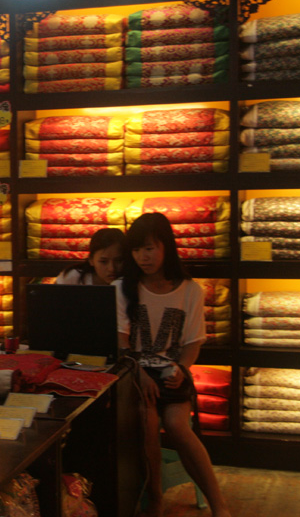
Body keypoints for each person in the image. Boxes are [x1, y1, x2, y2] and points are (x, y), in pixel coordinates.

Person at [115, 212, 230, 517]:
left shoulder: (190, 290)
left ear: (166, 246)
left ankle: (219, 505)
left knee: (178, 426)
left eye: (150, 248)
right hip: (134, 372)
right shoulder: (123, 288)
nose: (143, 257)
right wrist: (139, 375)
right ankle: (155, 499)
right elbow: (121, 343)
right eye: (137, 250)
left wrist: (182, 369)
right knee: (148, 424)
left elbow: (193, 343)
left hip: (172, 373)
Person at [54, 227, 125, 286]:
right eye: (103, 262)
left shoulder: (131, 283)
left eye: (118, 261)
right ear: (91, 260)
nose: (112, 268)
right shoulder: (73, 277)